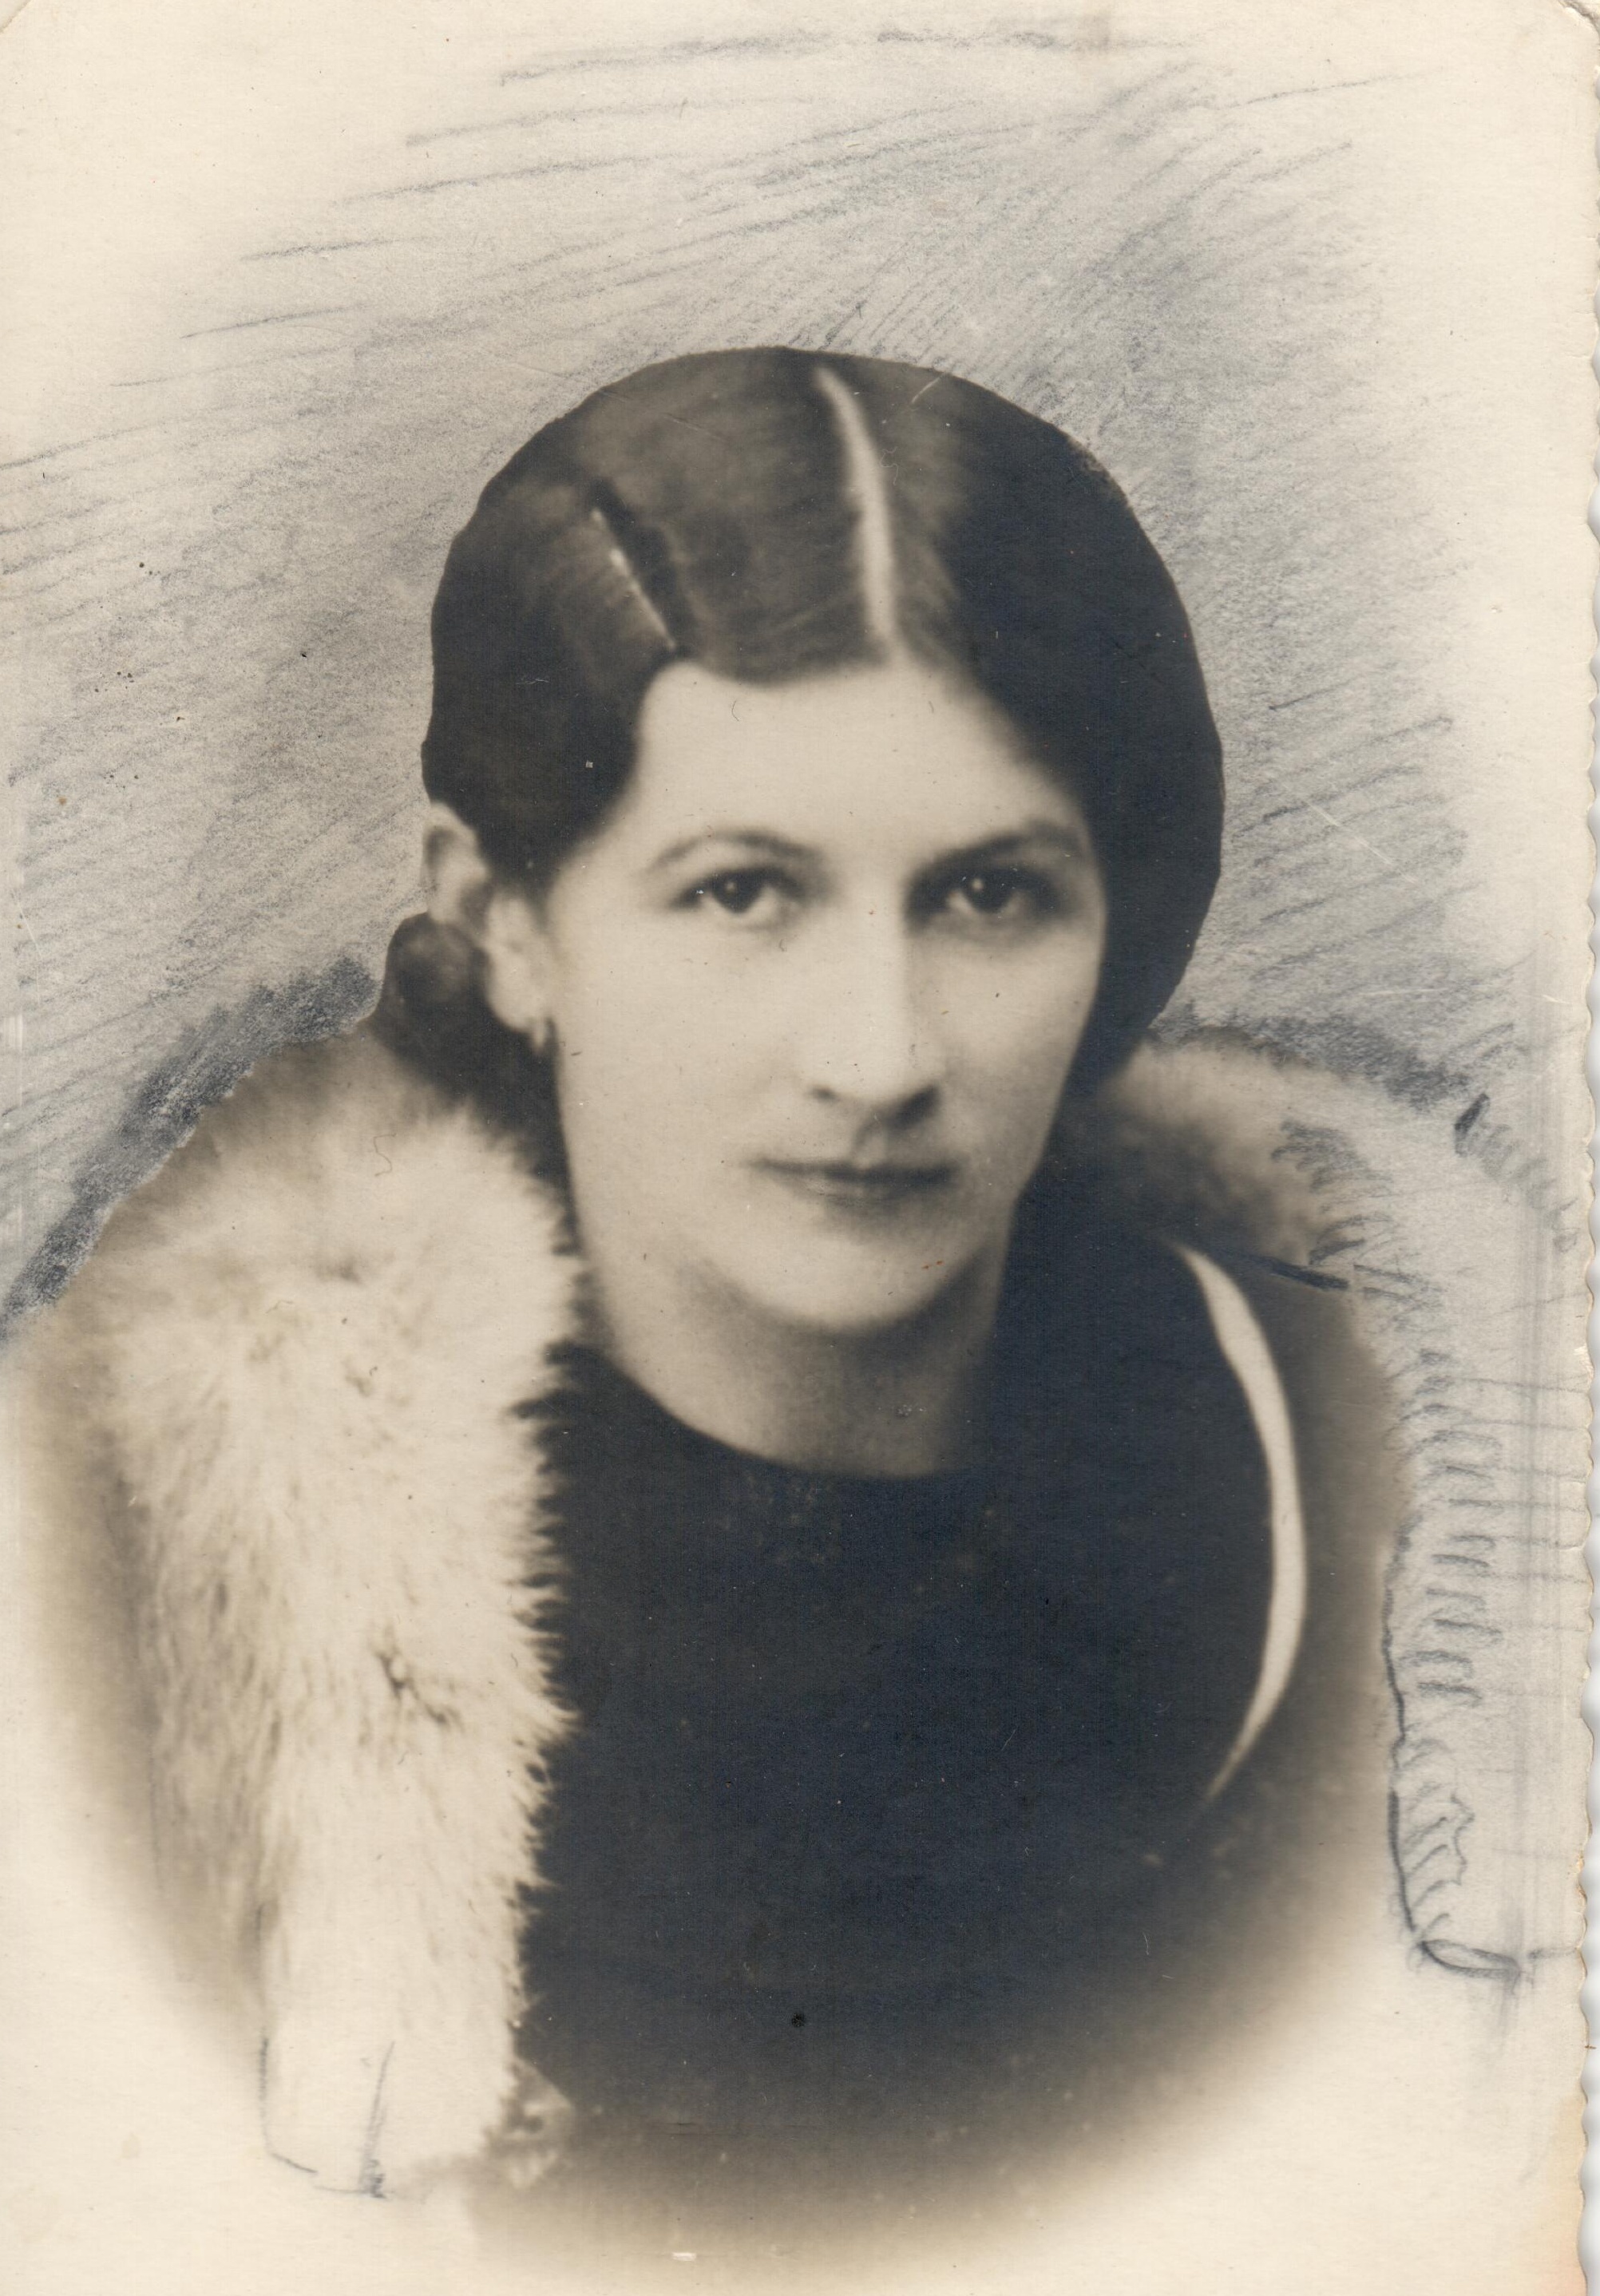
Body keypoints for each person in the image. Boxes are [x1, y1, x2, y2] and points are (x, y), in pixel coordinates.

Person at [6, 349, 1550, 2267]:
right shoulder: (118, 1584)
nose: (879, 1054)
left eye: (989, 896)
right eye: (743, 894)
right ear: (502, 920)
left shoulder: (1434, 1504)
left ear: (1113, 925)